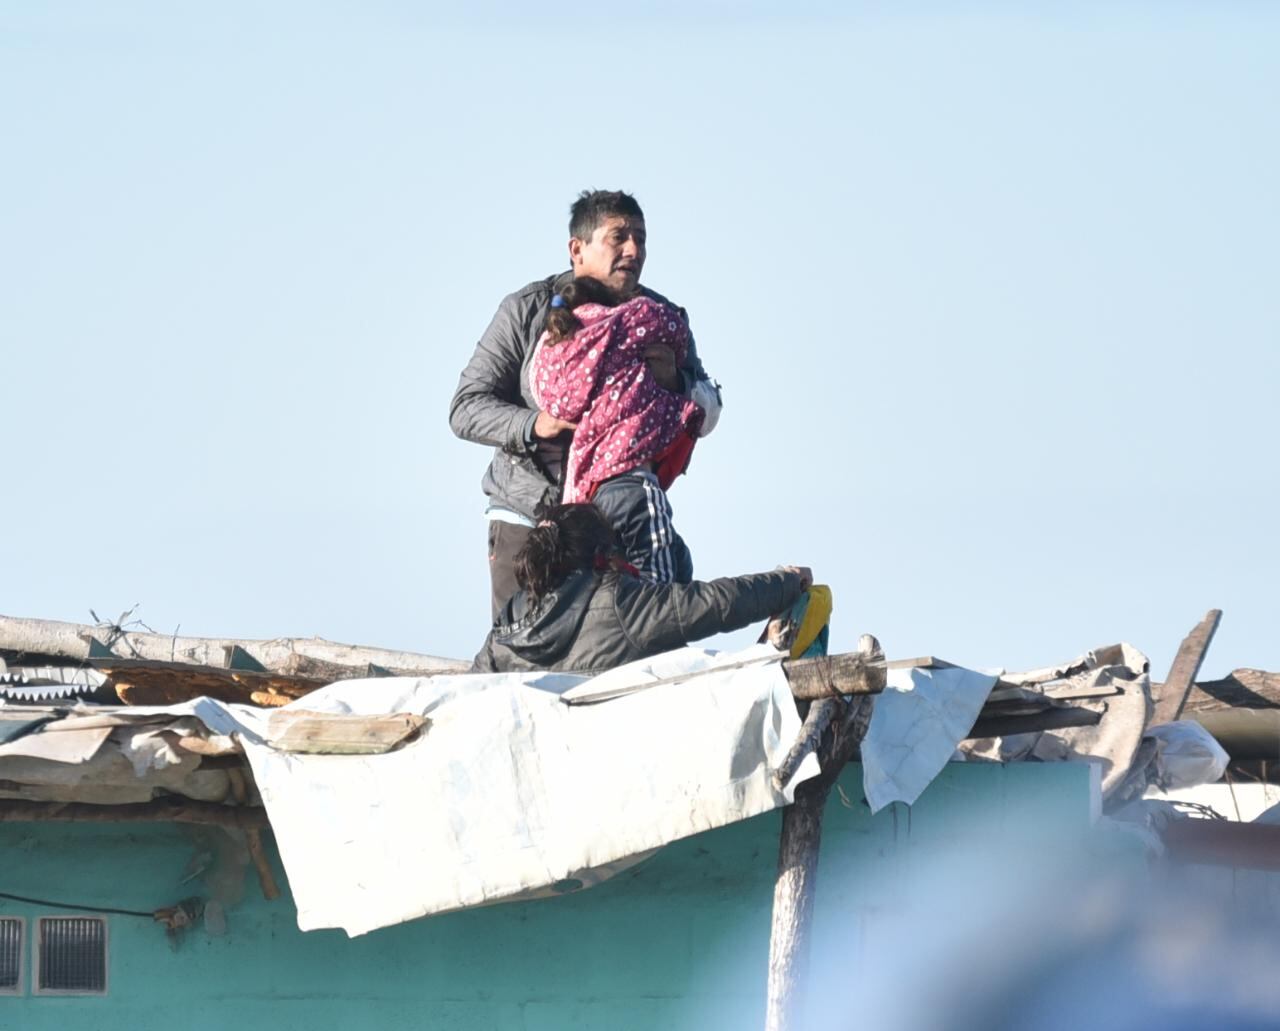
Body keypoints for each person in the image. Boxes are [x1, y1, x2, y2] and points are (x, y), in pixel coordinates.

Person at [450, 189, 722, 618]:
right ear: (577, 249)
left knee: (625, 662)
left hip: (614, 524)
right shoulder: (528, 309)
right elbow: (466, 408)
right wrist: (535, 424)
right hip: (526, 518)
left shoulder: (659, 318)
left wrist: (677, 382)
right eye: (619, 237)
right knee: (519, 666)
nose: (633, 250)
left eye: (641, 238)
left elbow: (710, 408)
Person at [471, 503, 811, 676]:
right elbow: (716, 603)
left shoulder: (505, 626)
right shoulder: (619, 602)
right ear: (601, 554)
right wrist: (787, 581)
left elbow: (467, 693)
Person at [529, 275, 703, 583]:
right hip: (634, 485)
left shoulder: (556, 351)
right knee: (660, 593)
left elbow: (546, 396)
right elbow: (674, 326)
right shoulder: (625, 324)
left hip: (594, 497)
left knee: (663, 571)